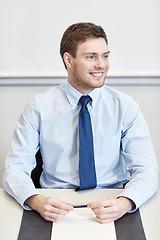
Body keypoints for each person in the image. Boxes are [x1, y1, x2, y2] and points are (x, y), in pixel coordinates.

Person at [3, 22, 159, 224]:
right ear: (69, 60)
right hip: (56, 203)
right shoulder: (39, 107)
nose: (101, 65)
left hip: (113, 200)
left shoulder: (125, 107)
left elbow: (147, 170)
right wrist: (36, 200)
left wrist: (125, 202)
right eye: (91, 57)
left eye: (105, 56)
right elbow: (14, 169)